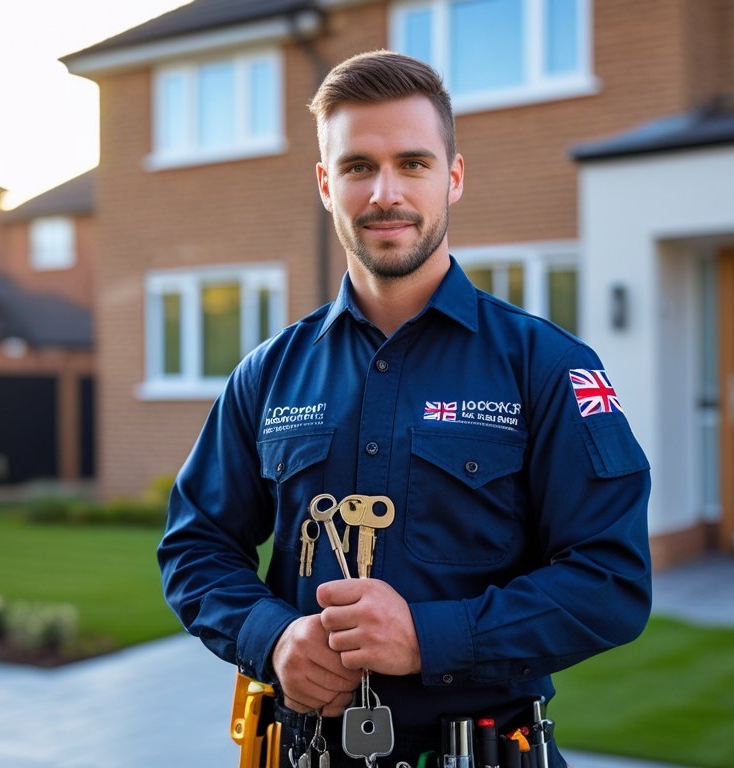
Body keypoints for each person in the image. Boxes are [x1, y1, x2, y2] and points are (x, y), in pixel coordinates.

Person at [158, 50, 651, 768]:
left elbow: (611, 581)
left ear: (453, 176)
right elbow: (194, 548)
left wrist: (429, 637)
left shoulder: (546, 367)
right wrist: (272, 637)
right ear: (327, 185)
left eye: (413, 163)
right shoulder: (267, 374)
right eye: (358, 166)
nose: (384, 192)